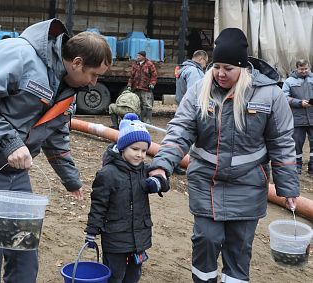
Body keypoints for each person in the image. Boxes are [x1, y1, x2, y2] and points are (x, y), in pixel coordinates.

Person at [0, 19, 112, 283]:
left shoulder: (67, 89)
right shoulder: (18, 54)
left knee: (23, 248)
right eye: (94, 75)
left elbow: (55, 135)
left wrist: (70, 179)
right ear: (77, 62)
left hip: (15, 170)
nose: (94, 83)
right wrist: (10, 142)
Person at [149, 28, 299, 282]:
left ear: (243, 67)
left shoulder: (270, 94)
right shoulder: (199, 90)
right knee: (206, 239)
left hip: (248, 185)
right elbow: (180, 130)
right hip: (207, 182)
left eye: (228, 68)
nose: (220, 73)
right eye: (217, 66)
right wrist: (161, 165)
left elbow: (282, 142)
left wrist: (288, 188)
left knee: (239, 248)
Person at [85, 113, 169, 283]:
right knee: (115, 276)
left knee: (133, 276)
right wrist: (92, 230)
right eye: (135, 149)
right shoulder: (108, 174)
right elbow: (98, 205)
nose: (140, 154)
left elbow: (165, 181)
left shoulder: (145, 171)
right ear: (122, 147)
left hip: (139, 237)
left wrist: (158, 182)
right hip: (115, 238)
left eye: (144, 150)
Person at [282, 59, 313, 175]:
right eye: (301, 69)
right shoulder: (289, 81)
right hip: (297, 119)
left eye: (306, 68)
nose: (304, 71)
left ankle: (312, 168)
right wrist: (299, 103)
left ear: (309, 67)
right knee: (297, 144)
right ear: (297, 68)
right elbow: (284, 97)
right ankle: (297, 168)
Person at [127, 51, 157, 124]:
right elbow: (131, 76)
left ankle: (148, 122)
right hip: (136, 88)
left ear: (144, 56)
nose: (138, 57)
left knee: (147, 106)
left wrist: (152, 83)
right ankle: (138, 121)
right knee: (137, 105)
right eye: (137, 55)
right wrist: (129, 85)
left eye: (139, 56)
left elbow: (154, 75)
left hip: (146, 88)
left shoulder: (149, 64)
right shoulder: (135, 64)